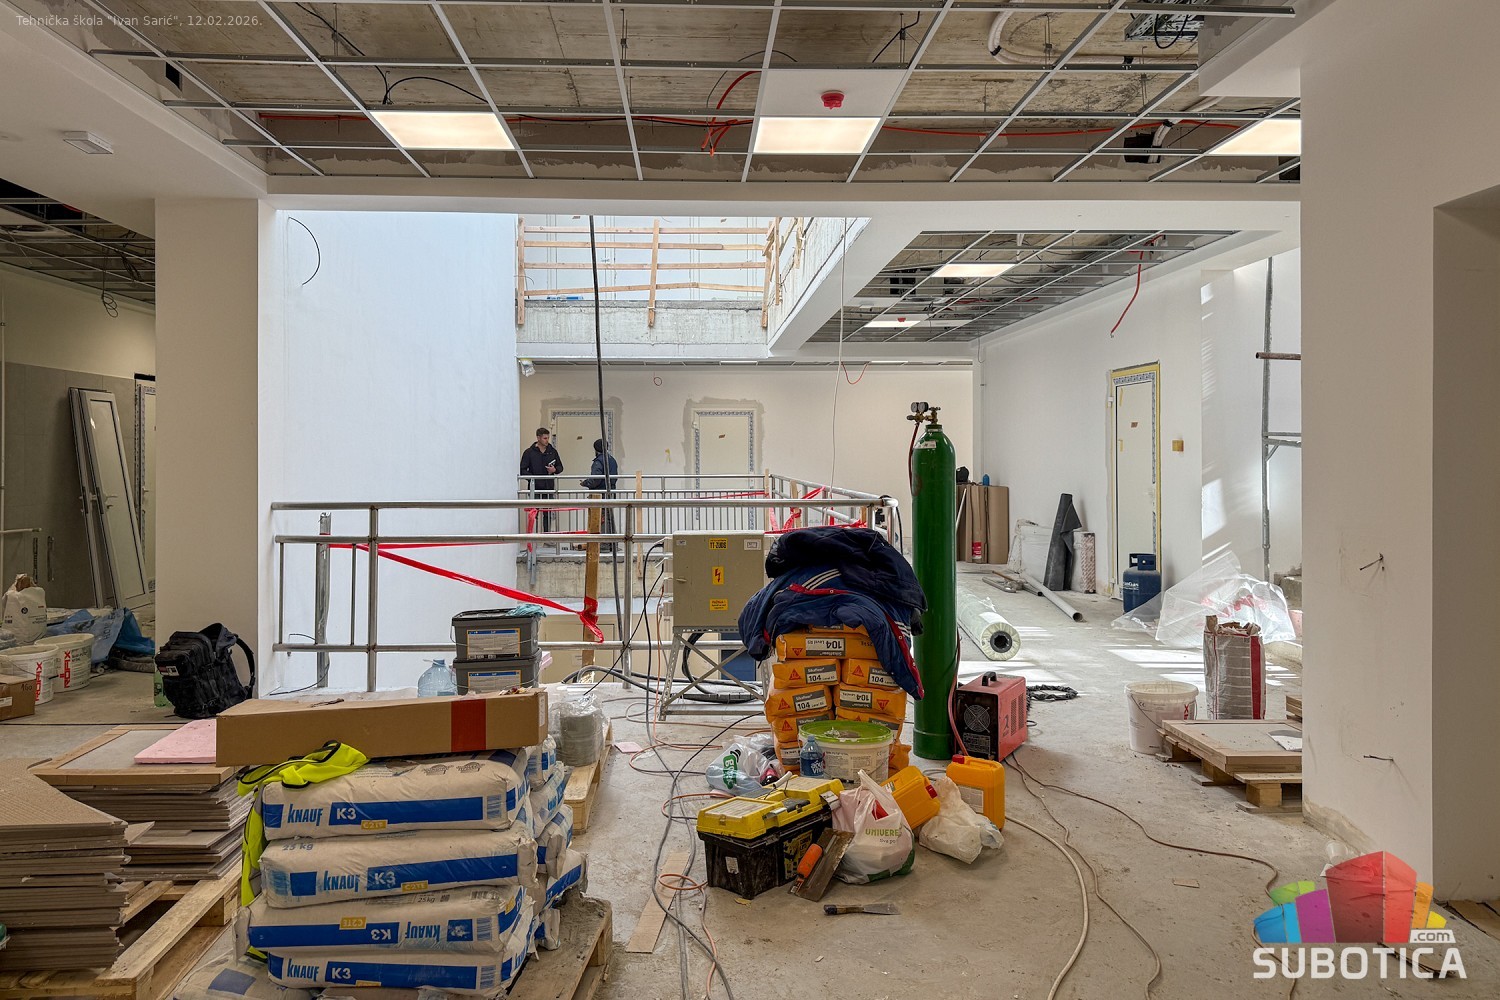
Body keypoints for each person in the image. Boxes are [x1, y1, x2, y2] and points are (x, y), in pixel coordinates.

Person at [519, 428, 563, 535]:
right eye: (545, 438)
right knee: (534, 513)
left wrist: (554, 470)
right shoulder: (529, 453)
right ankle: (533, 536)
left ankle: (546, 536)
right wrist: (533, 478)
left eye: (548, 438)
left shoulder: (552, 452)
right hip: (535, 488)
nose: (547, 440)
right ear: (538, 438)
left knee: (548, 513)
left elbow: (560, 467)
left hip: (548, 488)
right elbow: (522, 470)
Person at [581, 438, 620, 540]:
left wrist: (585, 483)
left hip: (600, 494)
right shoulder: (612, 460)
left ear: (596, 449)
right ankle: (612, 543)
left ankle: (603, 543)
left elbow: (596, 479)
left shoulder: (598, 461)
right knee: (609, 517)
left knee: (602, 518)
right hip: (611, 492)